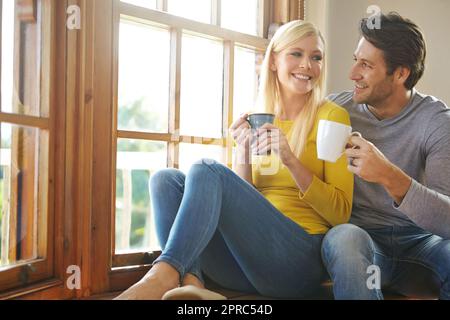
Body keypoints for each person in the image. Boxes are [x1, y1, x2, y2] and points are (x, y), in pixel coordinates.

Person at [115, 20, 353, 300]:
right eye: (296, 54)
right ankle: (192, 283)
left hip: (296, 262)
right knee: (165, 180)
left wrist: (290, 159)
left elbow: (340, 213)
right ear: (274, 61)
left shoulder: (332, 117)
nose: (307, 65)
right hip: (246, 266)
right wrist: (242, 153)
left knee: (207, 169)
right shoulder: (259, 115)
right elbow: (246, 204)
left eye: (316, 57)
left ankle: (164, 274)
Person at [322, 12, 450, 300]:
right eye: (356, 59)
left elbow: (448, 222)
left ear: (401, 73)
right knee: (345, 238)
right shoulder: (335, 111)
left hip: (421, 243)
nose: (352, 73)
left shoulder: (437, 121)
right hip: (361, 240)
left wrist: (388, 175)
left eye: (365, 65)